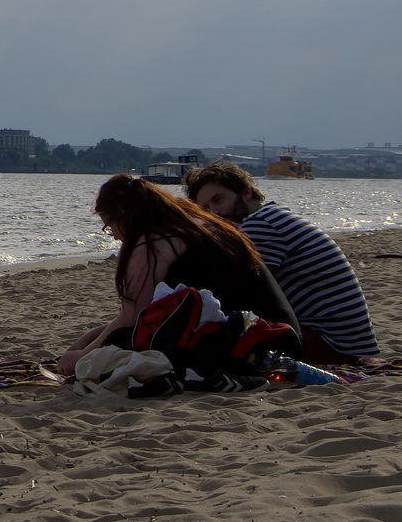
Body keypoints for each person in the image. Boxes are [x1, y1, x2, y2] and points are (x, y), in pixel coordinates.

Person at [59, 174, 299, 377]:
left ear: (123, 213)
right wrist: (85, 343)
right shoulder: (190, 225)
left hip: (256, 347)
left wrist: (78, 358)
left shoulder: (150, 243)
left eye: (109, 226)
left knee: (114, 344)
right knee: (105, 336)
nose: (113, 236)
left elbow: (132, 319)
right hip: (282, 337)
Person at [184, 161, 379, 365]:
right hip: (347, 342)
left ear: (245, 192)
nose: (215, 213)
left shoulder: (260, 224)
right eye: (205, 209)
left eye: (219, 200)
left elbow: (237, 289)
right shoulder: (273, 215)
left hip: (329, 343)